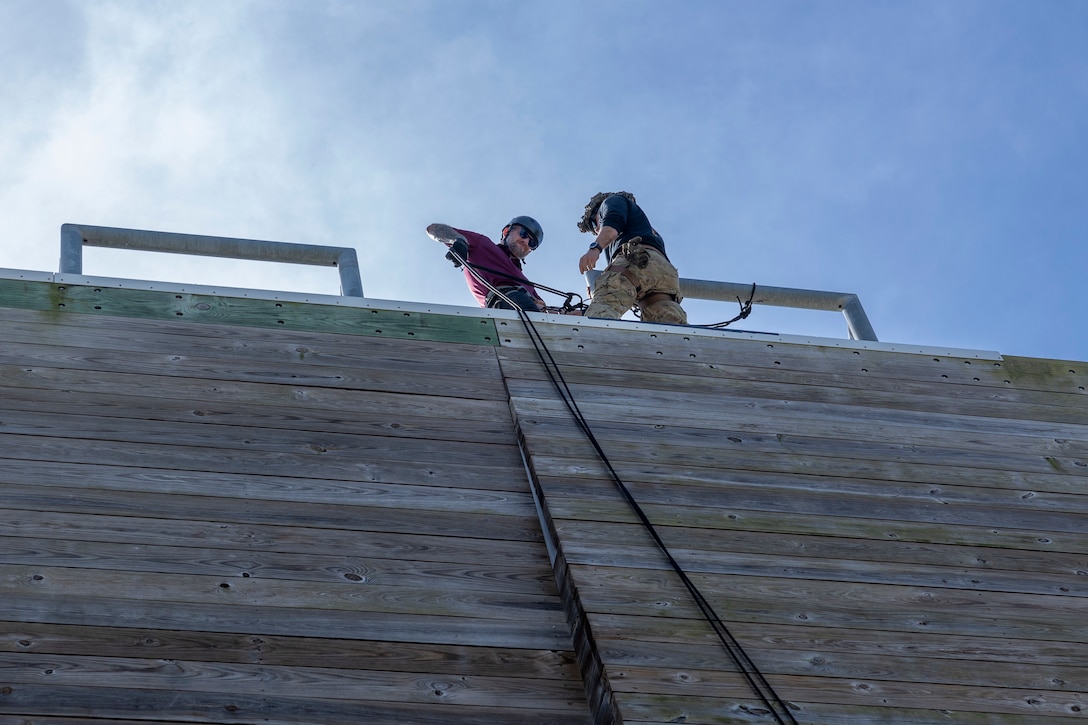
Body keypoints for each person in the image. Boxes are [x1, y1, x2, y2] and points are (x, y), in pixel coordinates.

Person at [576, 191, 687, 324]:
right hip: (665, 274)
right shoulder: (645, 228)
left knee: (604, 309)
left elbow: (610, 230)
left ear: (597, 212)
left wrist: (594, 249)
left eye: (594, 225)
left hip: (634, 260)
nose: (596, 231)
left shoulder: (612, 201)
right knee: (668, 325)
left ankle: (593, 341)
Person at [427, 216, 547, 312]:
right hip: (503, 305)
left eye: (532, 243)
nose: (526, 241)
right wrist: (459, 241)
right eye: (524, 234)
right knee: (518, 299)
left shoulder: (528, 285)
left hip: (529, 311)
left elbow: (547, 311)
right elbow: (434, 229)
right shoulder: (482, 245)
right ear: (506, 231)